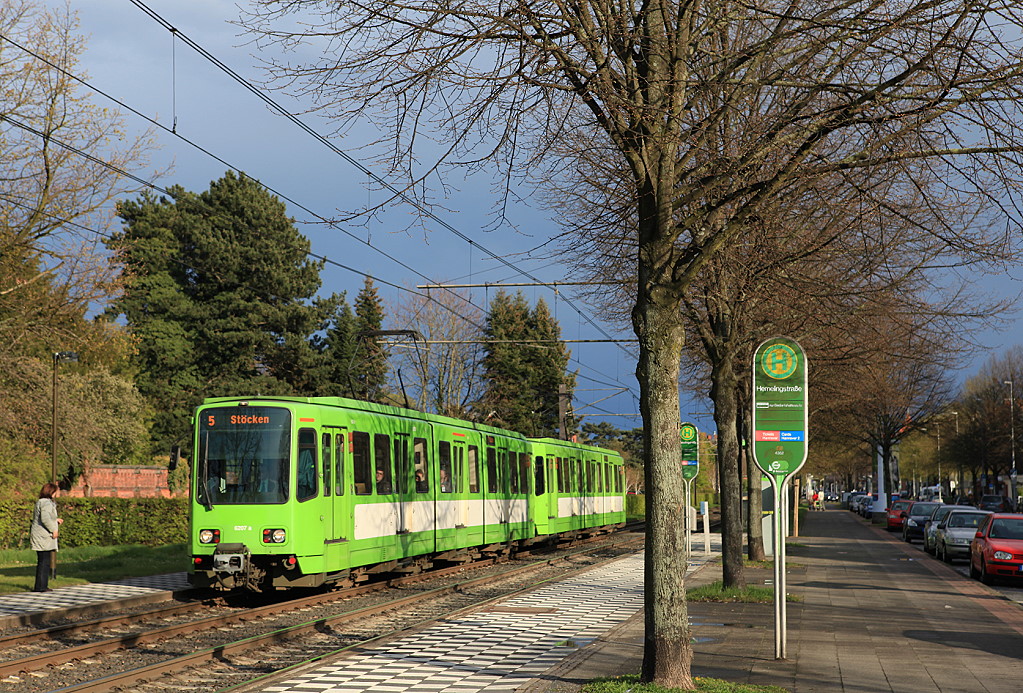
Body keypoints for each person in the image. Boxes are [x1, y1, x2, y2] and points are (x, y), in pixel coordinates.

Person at [30, 482, 62, 593]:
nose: (58, 493)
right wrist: (54, 530)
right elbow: (45, 519)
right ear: (52, 491)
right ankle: (41, 586)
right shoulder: (47, 503)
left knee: (42, 561)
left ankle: (40, 585)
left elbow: (46, 517)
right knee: (44, 562)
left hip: (39, 535)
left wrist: (56, 520)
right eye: (56, 491)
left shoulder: (41, 502)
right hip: (44, 536)